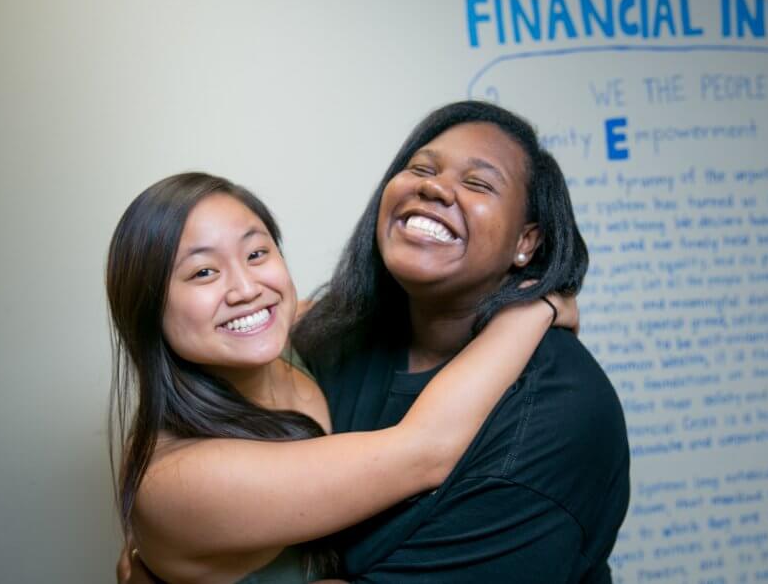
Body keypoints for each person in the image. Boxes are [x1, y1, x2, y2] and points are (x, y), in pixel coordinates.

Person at [107, 172, 576, 583]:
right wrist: (535, 307)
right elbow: (425, 453)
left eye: (256, 252)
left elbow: (327, 305)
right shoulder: (177, 479)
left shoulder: (279, 340)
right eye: (204, 272)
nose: (247, 289)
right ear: (148, 312)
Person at [293, 100, 631, 582]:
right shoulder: (335, 341)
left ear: (526, 243)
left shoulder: (561, 415)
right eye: (420, 169)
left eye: (478, 183)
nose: (432, 186)